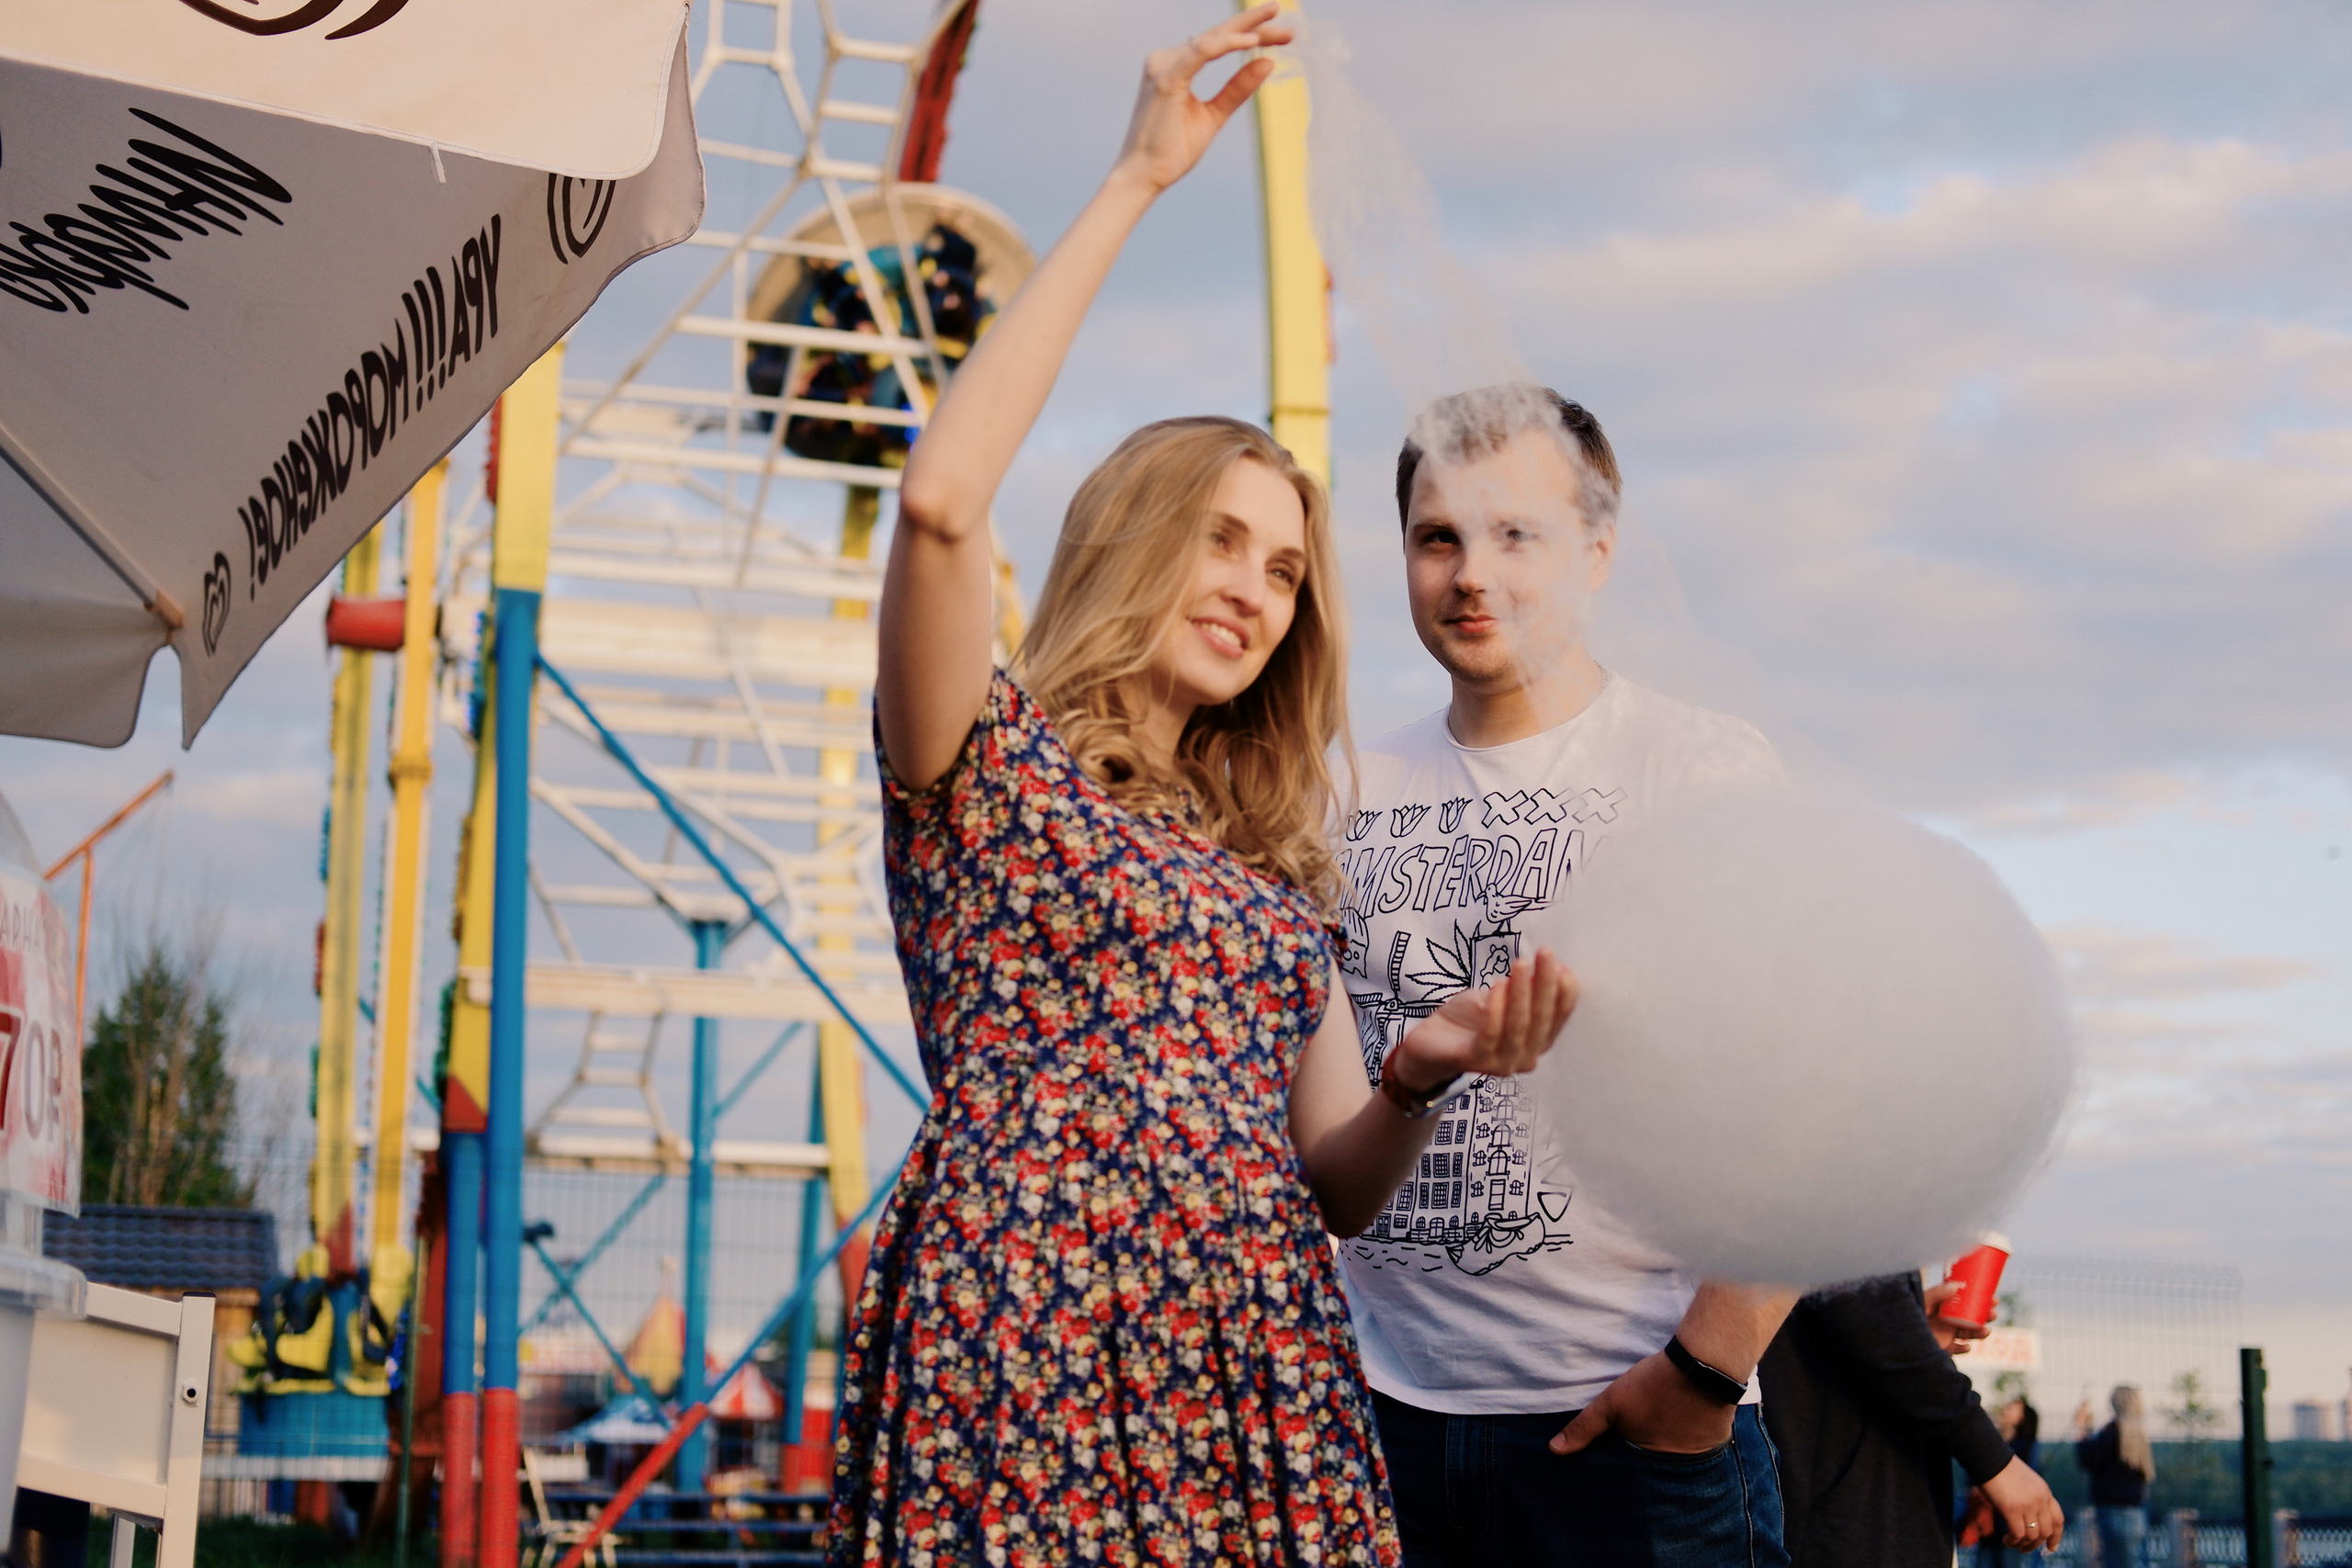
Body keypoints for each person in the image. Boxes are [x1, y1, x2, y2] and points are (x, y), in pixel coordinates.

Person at [830, 15, 1578, 1565]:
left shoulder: (1271, 864)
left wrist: (1423, 1073)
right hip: (1031, 1334)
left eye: (1288, 567)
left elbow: (1335, 1183)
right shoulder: (981, 767)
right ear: (1134, 535)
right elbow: (942, 497)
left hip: (1257, 1364)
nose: (1255, 588)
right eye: (1222, 540)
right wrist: (1136, 179)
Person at [1329, 384, 1797, 1565]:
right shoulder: (1334, 794)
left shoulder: (1704, 772)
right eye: (1438, 537)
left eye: (1513, 535)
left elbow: (1821, 1102)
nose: (1470, 573)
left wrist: (1702, 1376)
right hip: (1384, 1432)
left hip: (1632, 1439)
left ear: (1596, 552)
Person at [1759, 1273, 2064, 1565]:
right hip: (1847, 1517)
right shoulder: (1850, 1225)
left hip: (1848, 1507)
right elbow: (1868, 1303)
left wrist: (1910, 1327)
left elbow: (1859, 1315)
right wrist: (1997, 1462)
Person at [2076, 1386, 2156, 1567]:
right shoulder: (2138, 1435)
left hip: (2112, 1510)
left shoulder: (2112, 1432)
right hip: (2136, 1511)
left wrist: (2082, 1428)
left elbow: (2088, 1459)